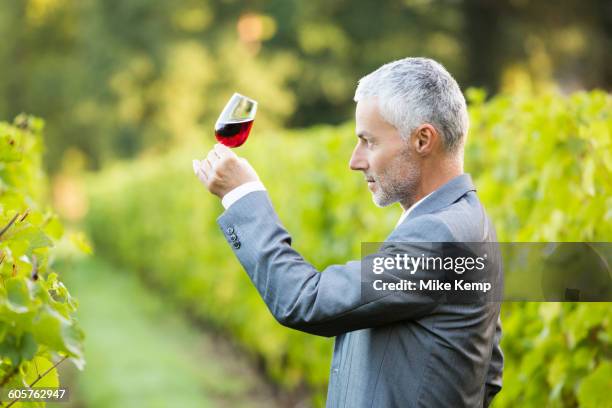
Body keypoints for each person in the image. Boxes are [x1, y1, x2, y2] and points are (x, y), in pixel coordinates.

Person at [193, 57, 503, 408]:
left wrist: (242, 197)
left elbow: (305, 301)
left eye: (368, 141)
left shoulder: (440, 239)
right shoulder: (472, 222)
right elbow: (488, 372)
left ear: (422, 140)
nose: (355, 161)